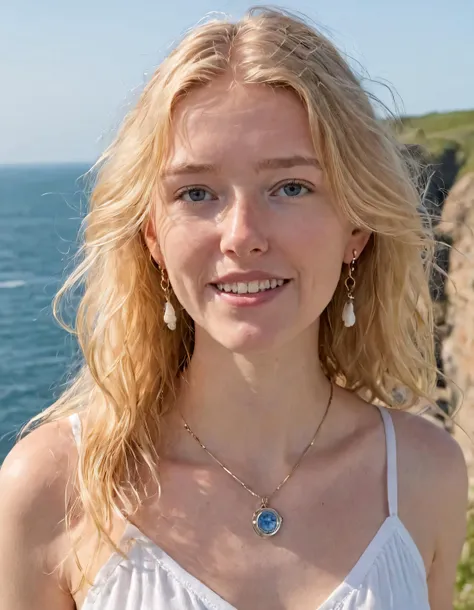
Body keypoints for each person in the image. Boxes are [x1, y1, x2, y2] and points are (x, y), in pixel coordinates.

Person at [0, 7, 468, 610]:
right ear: (152, 238)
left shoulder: (424, 475)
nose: (241, 235)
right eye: (197, 193)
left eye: (290, 187)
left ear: (356, 227)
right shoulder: (53, 489)